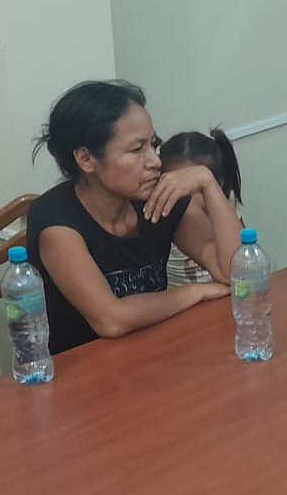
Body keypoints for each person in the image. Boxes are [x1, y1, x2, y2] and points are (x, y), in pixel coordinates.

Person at [28, 80, 240, 353]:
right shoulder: (57, 221)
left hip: (152, 354)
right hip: (79, 375)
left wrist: (208, 183)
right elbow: (111, 320)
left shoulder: (157, 195)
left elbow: (236, 272)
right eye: (136, 149)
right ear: (86, 159)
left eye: (153, 145)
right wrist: (195, 292)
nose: (155, 161)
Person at [158, 128, 244, 289]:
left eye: (195, 187)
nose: (186, 196)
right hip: (187, 303)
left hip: (225, 295)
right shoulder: (169, 214)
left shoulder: (227, 203)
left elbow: (242, 263)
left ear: (218, 184)